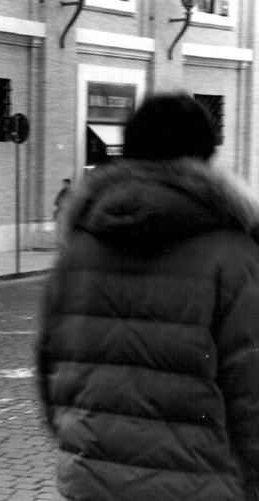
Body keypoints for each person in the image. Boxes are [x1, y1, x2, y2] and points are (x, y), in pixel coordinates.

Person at [36, 92, 259, 501]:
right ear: (205, 157)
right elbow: (250, 391)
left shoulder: (78, 250)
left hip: (93, 483)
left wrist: (88, 449)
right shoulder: (235, 254)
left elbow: (49, 375)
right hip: (202, 485)